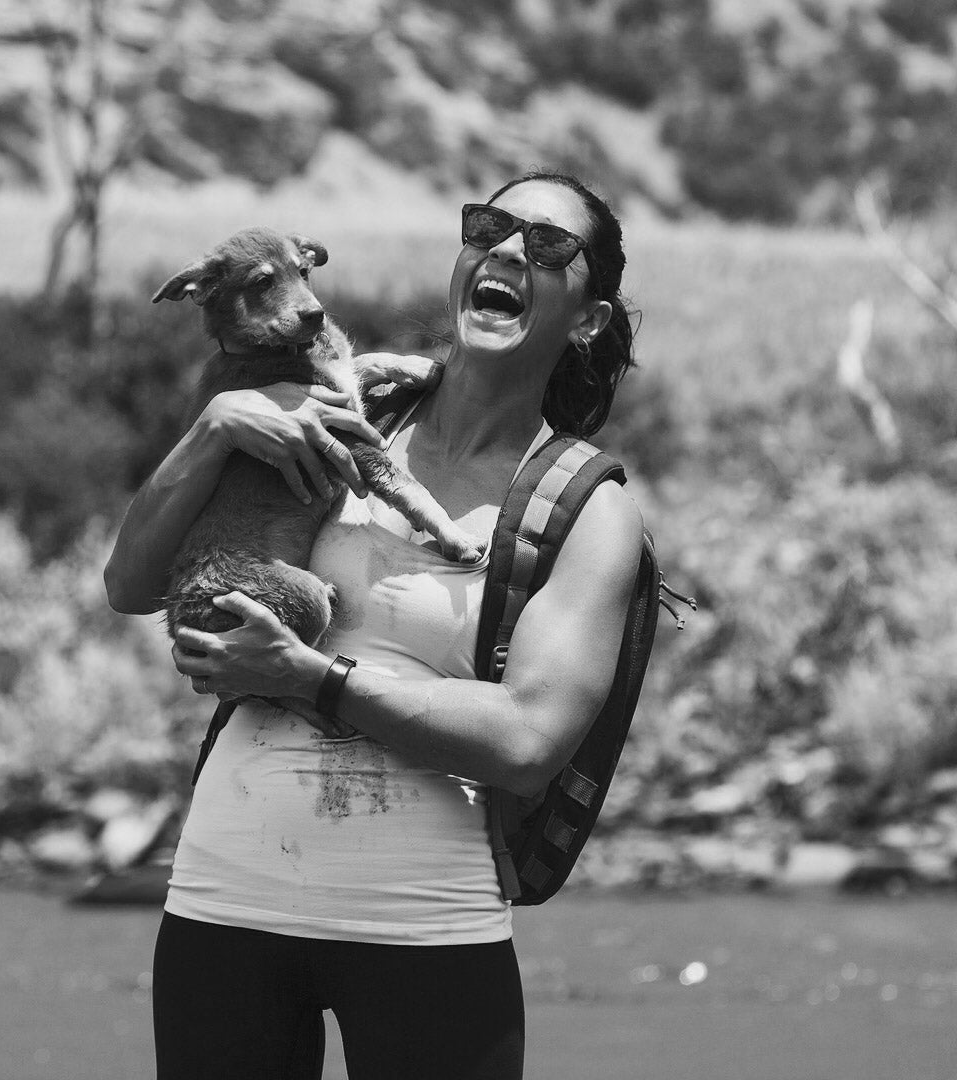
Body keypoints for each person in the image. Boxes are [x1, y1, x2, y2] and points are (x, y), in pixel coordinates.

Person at [104, 170, 643, 1080]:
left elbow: (526, 742)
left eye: (550, 246)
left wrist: (311, 678)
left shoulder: (585, 506)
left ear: (587, 318)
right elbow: (129, 585)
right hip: (225, 902)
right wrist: (214, 425)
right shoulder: (334, 404)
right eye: (489, 227)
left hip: (427, 927)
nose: (510, 250)